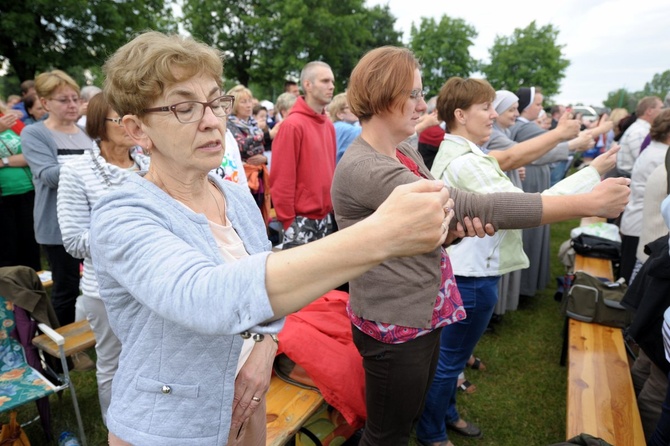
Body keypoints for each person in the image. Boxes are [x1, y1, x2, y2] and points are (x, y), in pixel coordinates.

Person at [92, 32, 456, 446]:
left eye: (214, 101)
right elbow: (207, 296)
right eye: (184, 107)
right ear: (138, 129)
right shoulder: (121, 215)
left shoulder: (230, 194)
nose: (211, 119)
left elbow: (261, 288)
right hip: (170, 424)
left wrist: (264, 347)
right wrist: (381, 235)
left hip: (248, 405)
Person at [331, 46, 629, 446]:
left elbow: (423, 222)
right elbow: (470, 204)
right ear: (386, 96)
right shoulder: (368, 167)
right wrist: (586, 202)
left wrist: (448, 230)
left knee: (406, 418)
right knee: (387, 435)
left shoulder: (400, 150)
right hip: (394, 320)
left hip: (416, 311)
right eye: (416, 95)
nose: (425, 105)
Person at [418, 76, 621, 446]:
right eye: (486, 108)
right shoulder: (467, 162)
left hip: (468, 271)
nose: (493, 115)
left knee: (452, 359)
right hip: (471, 276)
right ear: (460, 114)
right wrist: (592, 176)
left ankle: (444, 415)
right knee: (449, 361)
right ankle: (431, 431)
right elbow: (526, 208)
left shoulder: (465, 153)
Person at [57, 93, 150, 424]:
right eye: (120, 120)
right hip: (106, 289)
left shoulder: (148, 166)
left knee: (147, 358)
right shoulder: (77, 171)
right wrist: (128, 233)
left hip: (150, 283)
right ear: (99, 124)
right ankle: (116, 430)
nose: (131, 126)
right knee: (112, 361)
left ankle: (145, 422)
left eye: (135, 118)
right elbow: (73, 242)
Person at [21, 69, 92, 327]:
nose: (72, 105)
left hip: (90, 222)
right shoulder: (35, 134)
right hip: (56, 227)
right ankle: (61, 351)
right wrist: (95, 165)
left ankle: (92, 330)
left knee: (96, 282)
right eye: (64, 100)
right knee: (67, 288)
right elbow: (48, 175)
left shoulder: (86, 132)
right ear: (44, 102)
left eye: (75, 98)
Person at [509, 87, 595, 297]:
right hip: (529, 180)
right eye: (537, 104)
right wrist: (577, 141)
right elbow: (551, 146)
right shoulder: (525, 127)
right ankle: (524, 286)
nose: (540, 109)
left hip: (532, 176)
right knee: (530, 231)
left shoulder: (526, 126)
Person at [269, 61, 337, 248]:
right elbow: (281, 179)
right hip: (300, 221)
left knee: (326, 276)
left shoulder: (328, 125)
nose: (331, 86)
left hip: (326, 218)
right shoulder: (292, 125)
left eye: (332, 81)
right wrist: (288, 221)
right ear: (307, 84)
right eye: (325, 81)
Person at [619, 109, 670, 284]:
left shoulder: (655, 150)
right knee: (631, 283)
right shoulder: (663, 157)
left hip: (639, 221)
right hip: (643, 226)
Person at [0, 104, 41, 272]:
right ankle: (10, 293)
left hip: (27, 192)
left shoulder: (11, 121)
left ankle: (35, 287)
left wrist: (4, 162)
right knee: (7, 249)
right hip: (3, 198)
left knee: (30, 244)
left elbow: (32, 153)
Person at [617, 96, 664, 177]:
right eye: (661, 108)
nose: (664, 111)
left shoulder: (640, 129)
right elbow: (645, 162)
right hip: (630, 180)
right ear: (649, 111)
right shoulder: (640, 132)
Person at [327, 92, 361, 163]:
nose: (355, 109)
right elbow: (372, 134)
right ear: (340, 114)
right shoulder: (345, 129)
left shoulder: (335, 127)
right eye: (350, 107)